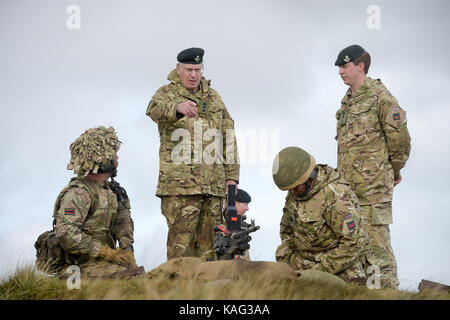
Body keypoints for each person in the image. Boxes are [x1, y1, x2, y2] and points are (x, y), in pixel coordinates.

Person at [146, 47, 240, 260]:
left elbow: (229, 137)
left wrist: (232, 179)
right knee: (182, 251)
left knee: (212, 251)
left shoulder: (214, 98)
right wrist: (177, 107)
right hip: (180, 188)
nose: (193, 75)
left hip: (213, 188)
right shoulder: (166, 93)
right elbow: (153, 109)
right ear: (178, 69)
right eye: (188, 69)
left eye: (197, 69)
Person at [334, 44, 411, 288]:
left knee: (377, 246)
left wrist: (394, 170)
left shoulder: (381, 97)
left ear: (360, 66)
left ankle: (386, 292)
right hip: (350, 190)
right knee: (354, 243)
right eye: (339, 67)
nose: (340, 71)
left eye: (344, 66)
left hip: (374, 187)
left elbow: (400, 140)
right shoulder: (347, 102)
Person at [49, 126, 137, 277]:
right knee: (131, 281)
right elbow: (66, 233)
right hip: (80, 265)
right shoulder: (79, 193)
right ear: (101, 158)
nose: (117, 158)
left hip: (105, 263)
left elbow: (124, 225)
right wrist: (106, 253)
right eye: (113, 154)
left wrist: (127, 253)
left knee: (140, 278)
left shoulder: (114, 192)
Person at [273, 147, 368, 284]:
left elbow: (353, 243)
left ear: (309, 178)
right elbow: (287, 231)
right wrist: (287, 260)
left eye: (295, 188)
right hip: (301, 262)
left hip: (337, 266)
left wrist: (318, 271)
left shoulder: (336, 196)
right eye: (289, 189)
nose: (292, 192)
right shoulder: (296, 192)